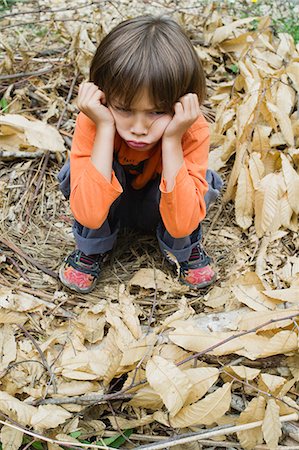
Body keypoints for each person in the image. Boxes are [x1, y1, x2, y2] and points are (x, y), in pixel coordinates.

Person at [58, 15, 223, 294]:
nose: (138, 129)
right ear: (103, 97)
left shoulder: (191, 131)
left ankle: (185, 250)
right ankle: (92, 248)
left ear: (183, 103)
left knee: (199, 181)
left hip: (162, 208)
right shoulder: (95, 120)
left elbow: (182, 221)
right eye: (123, 109)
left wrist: (172, 139)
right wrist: (105, 127)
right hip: (112, 208)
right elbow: (87, 214)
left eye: (157, 112)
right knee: (77, 173)